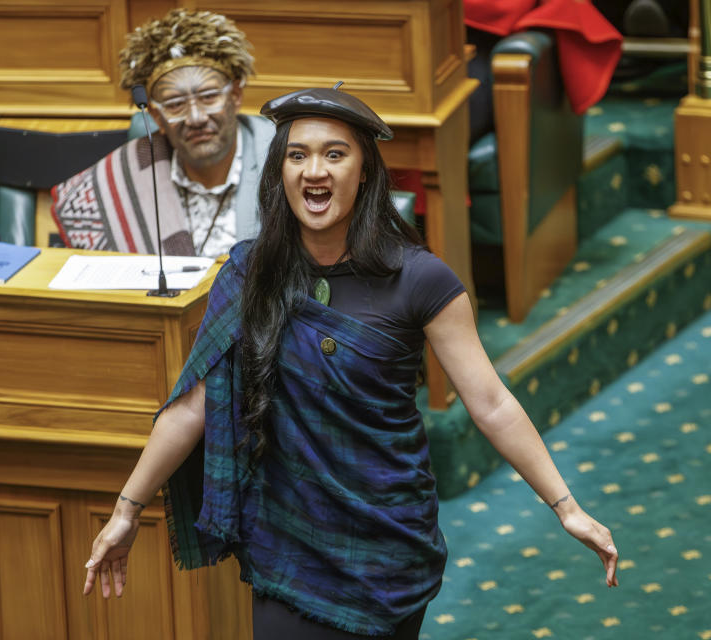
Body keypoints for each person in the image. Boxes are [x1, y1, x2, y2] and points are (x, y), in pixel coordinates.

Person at [82, 87, 619, 639]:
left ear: (364, 172)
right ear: (280, 172)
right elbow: (193, 405)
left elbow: (492, 403)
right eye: (298, 155)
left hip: (386, 543)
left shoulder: (420, 279)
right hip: (287, 539)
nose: (315, 169)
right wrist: (127, 509)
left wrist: (565, 505)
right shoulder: (248, 273)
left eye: (335, 154)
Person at [50, 9, 274, 258]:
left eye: (209, 97)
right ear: (157, 116)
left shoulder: (282, 157)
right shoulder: (127, 177)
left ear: (235, 96)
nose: (196, 118)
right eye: (176, 104)